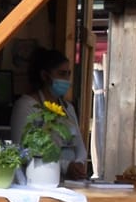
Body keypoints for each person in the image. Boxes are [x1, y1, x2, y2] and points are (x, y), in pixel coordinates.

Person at [9, 47, 87, 179]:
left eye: (68, 74)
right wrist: (64, 166)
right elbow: (22, 151)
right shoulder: (26, 106)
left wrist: (78, 164)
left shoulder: (68, 108)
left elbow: (80, 146)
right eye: (62, 74)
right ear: (45, 76)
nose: (67, 79)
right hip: (40, 179)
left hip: (72, 181)